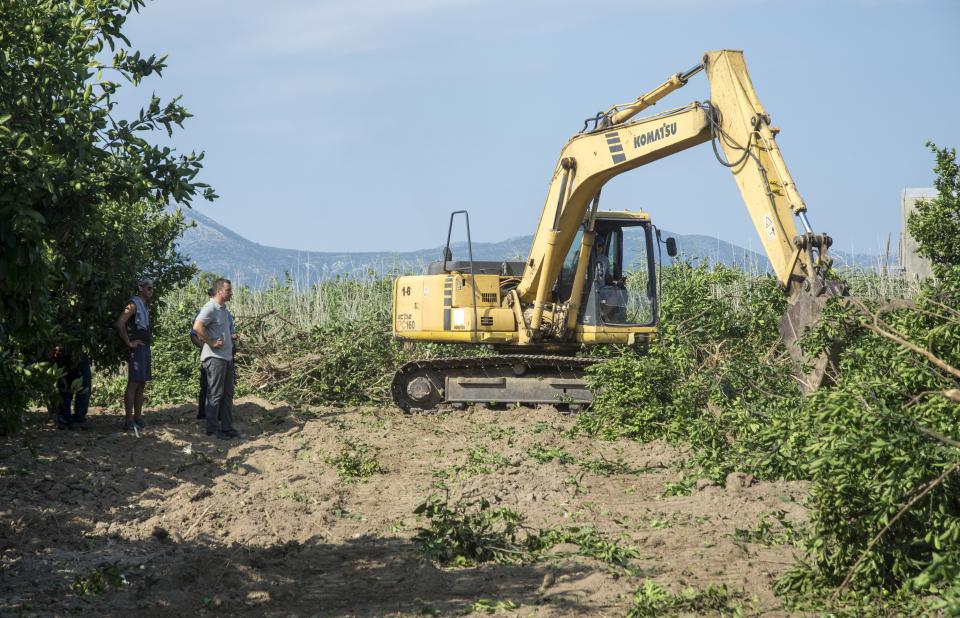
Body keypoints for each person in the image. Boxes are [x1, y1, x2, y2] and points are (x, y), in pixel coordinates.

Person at [193, 278, 239, 440]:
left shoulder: (224, 310)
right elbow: (197, 327)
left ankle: (226, 428)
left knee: (227, 394)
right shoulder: (210, 307)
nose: (231, 293)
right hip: (215, 358)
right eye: (228, 290)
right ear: (219, 292)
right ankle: (212, 430)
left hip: (226, 358)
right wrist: (211, 341)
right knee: (215, 394)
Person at [116, 279, 153, 431]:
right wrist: (129, 343)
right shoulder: (133, 304)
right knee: (133, 383)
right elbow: (120, 323)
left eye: (152, 288)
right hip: (137, 349)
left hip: (145, 347)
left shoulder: (143, 305)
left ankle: (138, 417)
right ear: (140, 288)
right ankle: (129, 420)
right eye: (149, 288)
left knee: (142, 383)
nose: (151, 291)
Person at [52, 345, 91, 430]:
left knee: (84, 383)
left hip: (79, 351)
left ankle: (78, 419)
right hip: (63, 351)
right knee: (65, 383)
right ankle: (65, 418)